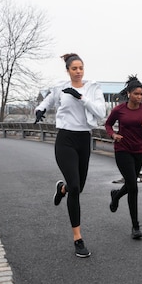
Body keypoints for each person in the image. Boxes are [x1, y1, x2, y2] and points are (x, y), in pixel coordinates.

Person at [35, 53, 106, 258]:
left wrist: (81, 98)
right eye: (74, 68)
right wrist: (39, 109)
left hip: (84, 139)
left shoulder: (93, 88)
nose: (78, 71)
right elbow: (47, 101)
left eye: (80, 68)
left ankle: (62, 188)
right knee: (76, 188)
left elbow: (101, 112)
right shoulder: (60, 87)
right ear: (68, 70)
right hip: (65, 139)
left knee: (78, 187)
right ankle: (78, 238)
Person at [104, 75, 142, 240]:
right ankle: (135, 226)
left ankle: (116, 196)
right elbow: (108, 124)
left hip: (139, 151)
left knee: (130, 184)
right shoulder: (119, 109)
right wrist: (113, 135)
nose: (139, 97)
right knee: (133, 186)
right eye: (136, 94)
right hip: (122, 150)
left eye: (141, 94)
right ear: (128, 93)